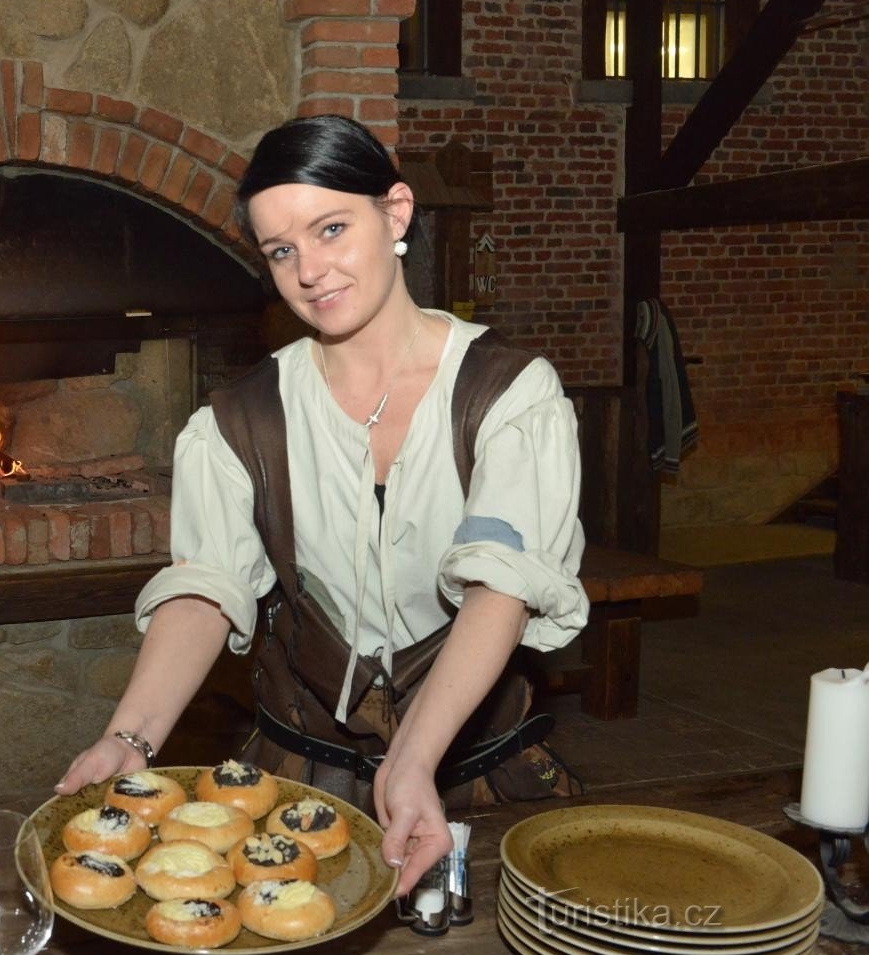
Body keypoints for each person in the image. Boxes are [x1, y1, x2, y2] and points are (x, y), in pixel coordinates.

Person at [53, 115, 589, 895]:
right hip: (302, 778)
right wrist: (128, 738)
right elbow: (206, 588)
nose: (309, 270)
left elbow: (499, 590)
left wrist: (412, 763)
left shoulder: (507, 395)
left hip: (475, 775)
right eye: (281, 250)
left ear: (396, 213)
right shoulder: (242, 419)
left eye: (331, 228)